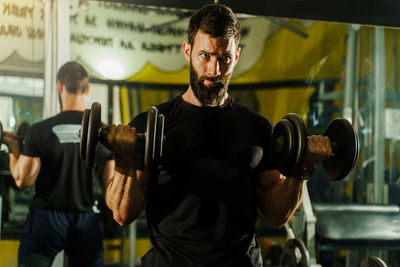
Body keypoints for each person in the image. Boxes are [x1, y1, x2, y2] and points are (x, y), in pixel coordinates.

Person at [104, 4, 332, 267]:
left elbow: (275, 214)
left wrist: (299, 170)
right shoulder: (152, 125)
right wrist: (124, 160)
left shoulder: (258, 128)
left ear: (236, 56)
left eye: (224, 58)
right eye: (205, 56)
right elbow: (122, 214)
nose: (214, 70)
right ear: (187, 51)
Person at [2, 61, 115, 267]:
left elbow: (22, 180)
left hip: (47, 218)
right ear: (87, 89)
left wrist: (12, 148)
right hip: (86, 217)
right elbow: (112, 190)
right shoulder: (105, 135)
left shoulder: (40, 130)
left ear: (59, 87)